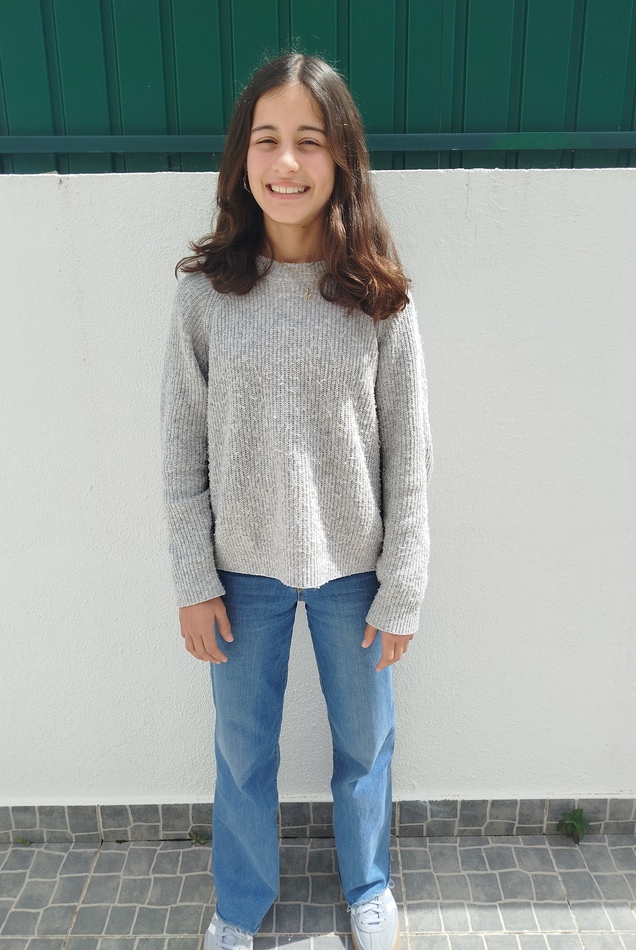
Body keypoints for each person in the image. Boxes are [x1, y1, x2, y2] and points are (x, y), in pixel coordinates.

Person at [160, 52, 433, 950]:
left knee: (366, 743)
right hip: (241, 575)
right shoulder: (205, 298)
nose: (286, 163)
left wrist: (403, 584)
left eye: (309, 141)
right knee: (243, 752)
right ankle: (240, 903)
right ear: (241, 158)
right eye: (267, 140)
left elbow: (410, 457)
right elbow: (180, 452)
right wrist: (194, 578)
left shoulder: (381, 300)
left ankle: (369, 885)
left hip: (356, 572)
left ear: (341, 156)